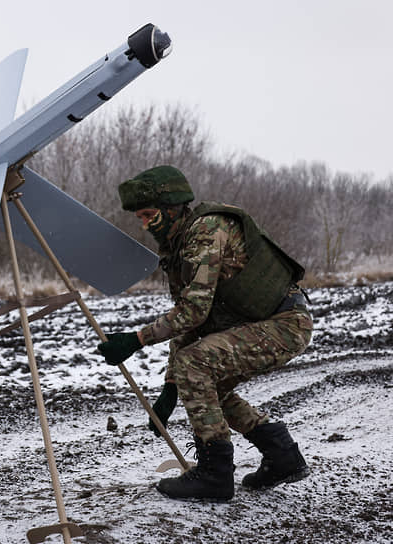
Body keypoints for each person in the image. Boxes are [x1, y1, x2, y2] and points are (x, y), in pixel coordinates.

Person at [98, 165, 312, 501]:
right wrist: (170, 389)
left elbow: (193, 311)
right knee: (207, 389)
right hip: (262, 325)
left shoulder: (206, 231)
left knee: (195, 366)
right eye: (139, 217)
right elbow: (193, 321)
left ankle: (215, 475)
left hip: (285, 324)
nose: (144, 224)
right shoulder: (179, 246)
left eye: (148, 214)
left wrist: (136, 340)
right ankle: (283, 455)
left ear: (171, 209)